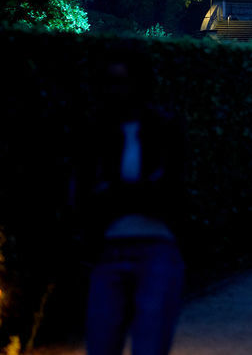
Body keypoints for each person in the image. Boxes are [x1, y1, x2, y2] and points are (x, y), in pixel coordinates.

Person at [76, 54, 188, 355]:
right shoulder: (96, 131)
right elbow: (85, 194)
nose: (117, 90)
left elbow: (172, 189)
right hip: (109, 248)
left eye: (124, 82)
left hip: (156, 246)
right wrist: (140, 192)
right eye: (111, 82)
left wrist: (115, 193)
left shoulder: (164, 129)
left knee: (150, 343)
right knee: (101, 343)